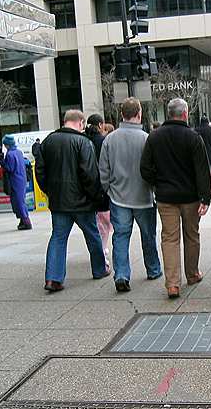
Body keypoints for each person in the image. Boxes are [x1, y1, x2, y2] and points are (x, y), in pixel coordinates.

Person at [140, 98, 211, 299]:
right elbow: (202, 171)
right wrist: (205, 198)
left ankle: (172, 284)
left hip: (165, 197)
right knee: (192, 235)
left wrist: (158, 183)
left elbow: (145, 168)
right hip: (190, 197)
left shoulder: (154, 137)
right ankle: (192, 273)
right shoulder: (193, 137)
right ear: (185, 113)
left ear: (169, 113)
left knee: (169, 238)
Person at [35, 109, 108, 292]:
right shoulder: (83, 142)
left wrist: (50, 191)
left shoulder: (48, 141)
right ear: (81, 123)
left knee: (58, 238)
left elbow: (40, 172)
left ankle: (53, 278)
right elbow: (90, 174)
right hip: (82, 202)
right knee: (92, 236)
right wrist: (97, 197)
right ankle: (99, 269)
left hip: (59, 201)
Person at [100, 98, 162, 292]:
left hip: (119, 197)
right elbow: (155, 169)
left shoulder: (110, 139)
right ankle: (153, 269)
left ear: (122, 115)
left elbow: (103, 171)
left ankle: (121, 275)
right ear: (139, 114)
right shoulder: (147, 138)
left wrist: (109, 190)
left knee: (120, 236)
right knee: (148, 235)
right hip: (143, 197)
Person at [85, 113, 113, 271]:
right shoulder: (103, 141)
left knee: (95, 223)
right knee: (104, 224)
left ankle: (99, 251)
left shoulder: (82, 140)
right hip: (102, 189)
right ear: (101, 125)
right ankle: (102, 252)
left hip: (85, 190)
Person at [0, 135, 32, 230]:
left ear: (7, 145)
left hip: (15, 181)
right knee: (21, 201)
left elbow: (10, 168)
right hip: (21, 179)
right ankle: (23, 220)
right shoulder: (18, 152)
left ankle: (26, 222)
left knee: (18, 202)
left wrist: (2, 162)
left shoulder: (10, 154)